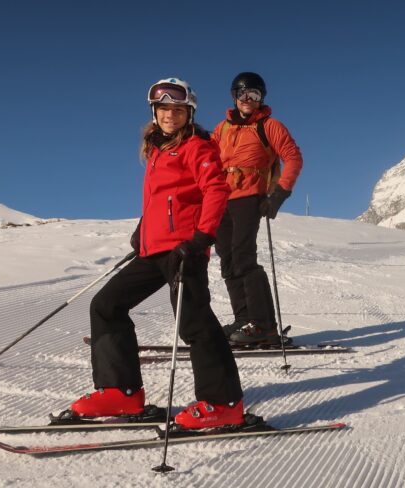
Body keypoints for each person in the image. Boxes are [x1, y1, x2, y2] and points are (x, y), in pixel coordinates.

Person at [70, 78, 245, 430]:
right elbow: (160, 200)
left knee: (194, 323)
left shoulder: (197, 146)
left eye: (177, 109)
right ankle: (120, 392)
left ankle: (223, 403)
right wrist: (143, 229)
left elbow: (215, 190)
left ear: (188, 112)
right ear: (155, 111)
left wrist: (201, 238)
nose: (170, 114)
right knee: (106, 306)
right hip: (155, 249)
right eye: (163, 108)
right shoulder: (156, 149)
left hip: (184, 249)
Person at [211, 72, 304, 346]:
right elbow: (208, 163)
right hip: (221, 199)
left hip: (249, 197)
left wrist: (279, 194)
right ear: (234, 96)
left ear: (262, 98)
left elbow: (293, 158)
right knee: (227, 260)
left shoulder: (269, 126)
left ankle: (264, 326)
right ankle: (244, 320)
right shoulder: (222, 129)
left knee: (243, 258)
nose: (248, 99)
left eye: (255, 94)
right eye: (243, 94)